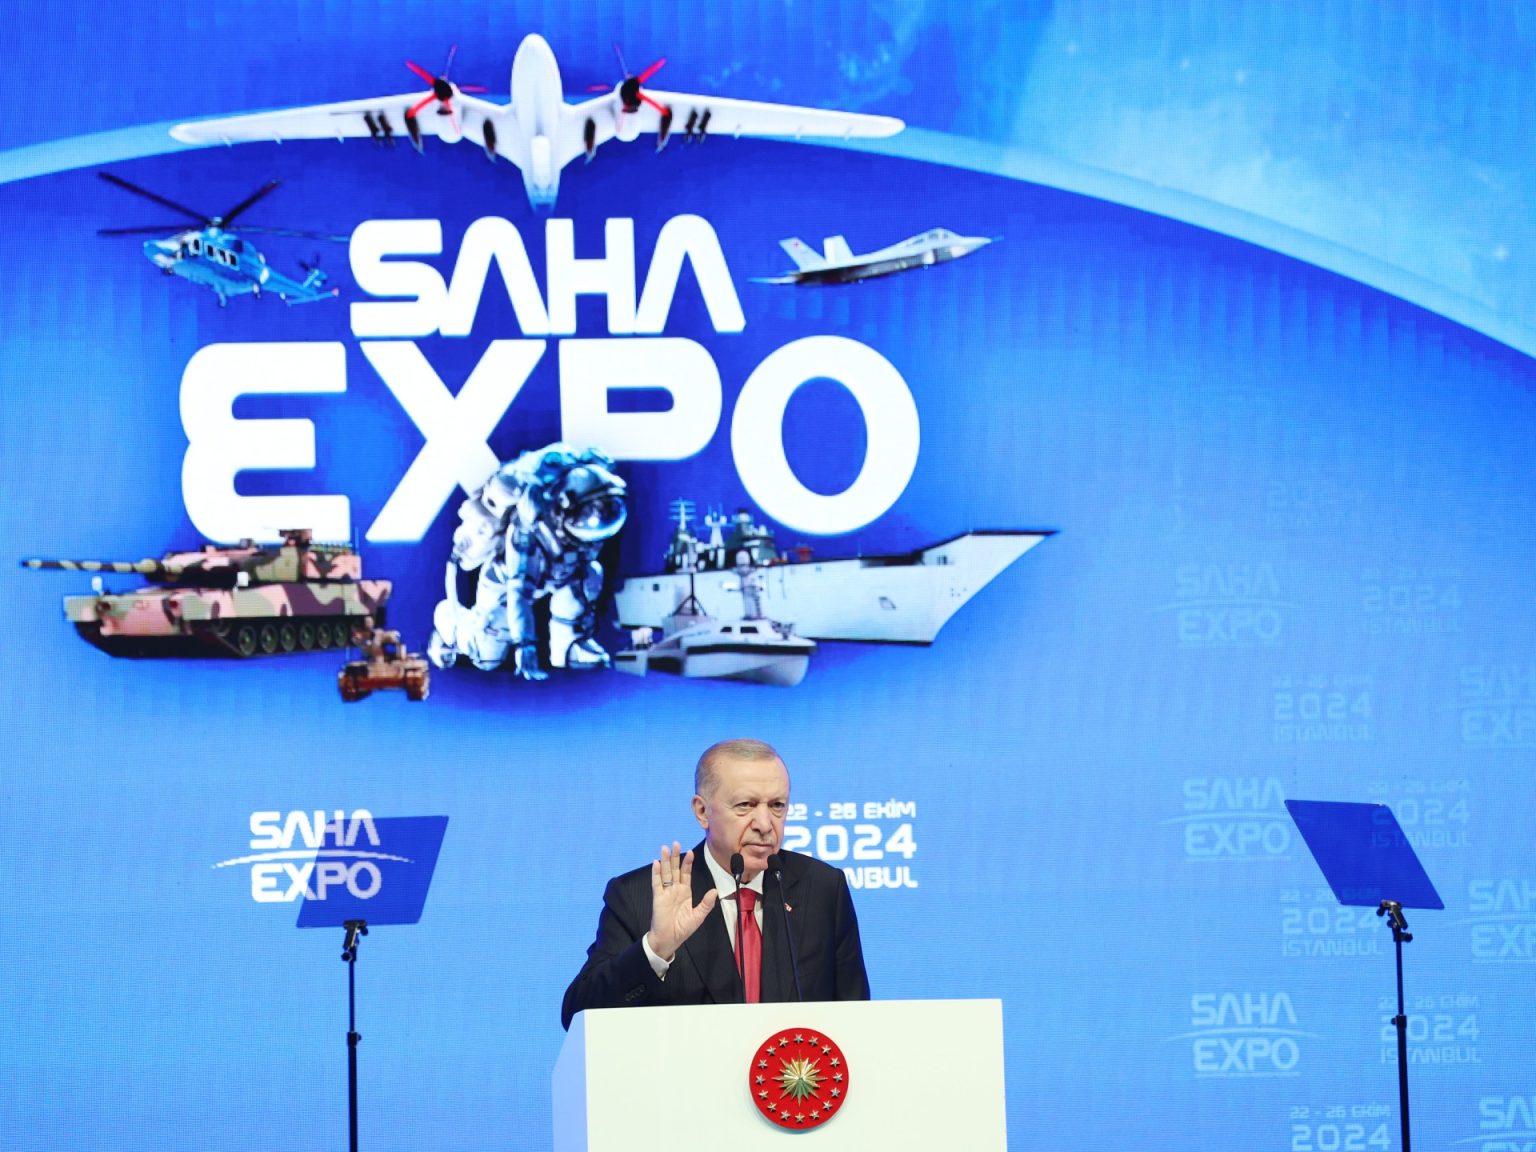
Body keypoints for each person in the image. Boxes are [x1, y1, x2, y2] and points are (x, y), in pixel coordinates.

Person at [561, 738, 869, 1029]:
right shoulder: (639, 896)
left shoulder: (823, 889)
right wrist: (656, 950)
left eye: (777, 805)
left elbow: (856, 1016)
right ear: (702, 811)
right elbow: (577, 1016)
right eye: (745, 805)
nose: (765, 825)